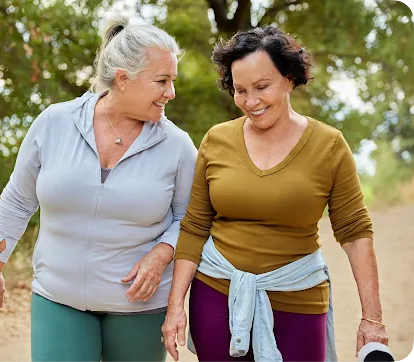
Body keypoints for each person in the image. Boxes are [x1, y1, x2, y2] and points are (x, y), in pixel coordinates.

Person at [161, 26, 389, 362]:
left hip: (298, 299)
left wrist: (373, 319)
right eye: (240, 90)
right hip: (216, 295)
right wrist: (175, 306)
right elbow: (195, 227)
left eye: (262, 87)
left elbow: (355, 234)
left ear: (289, 78)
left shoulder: (329, 146)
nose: (250, 101)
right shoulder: (216, 140)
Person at [0, 16, 197, 362]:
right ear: (123, 79)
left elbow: (190, 218)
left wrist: (161, 254)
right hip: (58, 298)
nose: (171, 92)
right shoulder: (54, 123)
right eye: (162, 81)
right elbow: (18, 199)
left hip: (138, 307)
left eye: (172, 80)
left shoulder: (178, 146)